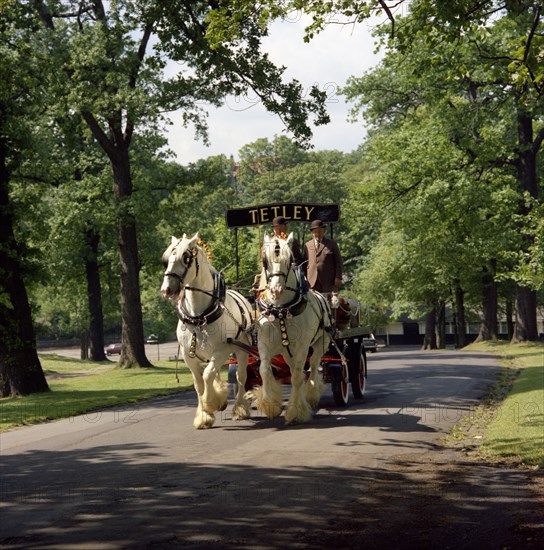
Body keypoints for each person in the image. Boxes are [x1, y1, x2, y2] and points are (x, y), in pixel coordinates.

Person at [303, 219, 343, 293]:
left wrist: (338, 277)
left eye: (320, 231)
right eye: (315, 232)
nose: (318, 234)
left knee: (330, 303)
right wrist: (304, 278)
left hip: (328, 281)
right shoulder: (307, 245)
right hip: (312, 282)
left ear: (324, 231)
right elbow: (304, 263)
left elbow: (338, 262)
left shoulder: (332, 244)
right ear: (312, 232)